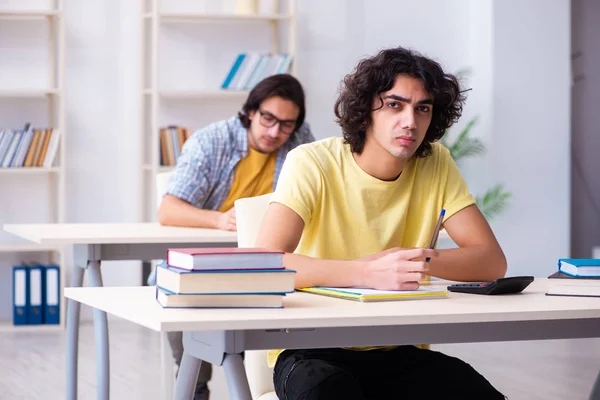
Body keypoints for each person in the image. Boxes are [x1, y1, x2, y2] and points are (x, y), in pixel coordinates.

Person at [255, 47, 508, 400]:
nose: (410, 121)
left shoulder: (436, 163)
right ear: (365, 111)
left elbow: (491, 261)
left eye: (423, 108)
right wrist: (364, 273)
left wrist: (414, 260)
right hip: (311, 348)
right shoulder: (313, 162)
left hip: (397, 349)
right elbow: (261, 262)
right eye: (394, 104)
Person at [156, 74, 315, 400]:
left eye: (286, 124)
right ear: (251, 112)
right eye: (268, 119)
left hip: (267, 264)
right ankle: (196, 386)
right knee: (193, 323)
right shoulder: (211, 141)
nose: (275, 132)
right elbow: (168, 210)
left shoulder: (300, 144)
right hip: (207, 264)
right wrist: (218, 220)